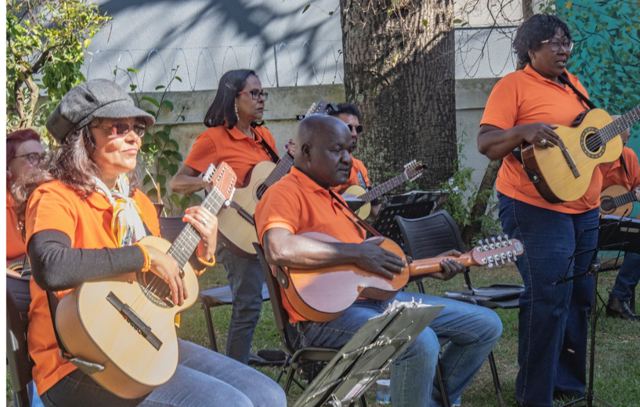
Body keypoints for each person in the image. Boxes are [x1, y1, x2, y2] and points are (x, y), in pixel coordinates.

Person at [20, 79, 286, 407]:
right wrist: (142, 255)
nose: (134, 137)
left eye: (137, 128)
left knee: (269, 395)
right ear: (83, 137)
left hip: (141, 343)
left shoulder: (136, 203)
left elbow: (159, 286)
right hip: (78, 365)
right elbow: (51, 266)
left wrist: (201, 254)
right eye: (119, 127)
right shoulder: (54, 196)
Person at [255, 115, 502, 407]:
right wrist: (357, 252)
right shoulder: (284, 193)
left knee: (486, 324)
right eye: (337, 150)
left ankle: (433, 400)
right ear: (306, 151)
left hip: (371, 303)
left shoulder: (334, 198)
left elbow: (361, 275)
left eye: (349, 150)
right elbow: (279, 248)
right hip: (322, 320)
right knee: (419, 339)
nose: (347, 159)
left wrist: (427, 268)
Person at [477, 14, 601, 406]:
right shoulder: (513, 86)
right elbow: (486, 142)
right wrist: (522, 131)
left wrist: (611, 136)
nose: (564, 50)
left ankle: (567, 383)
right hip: (533, 205)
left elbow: (584, 140)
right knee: (548, 297)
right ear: (531, 48)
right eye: (554, 43)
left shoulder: (573, 86)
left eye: (567, 42)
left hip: (584, 207)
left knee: (580, 294)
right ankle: (535, 395)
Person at [170, 69, 277, 364]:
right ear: (233, 98)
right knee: (249, 303)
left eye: (262, 93)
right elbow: (177, 183)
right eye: (253, 94)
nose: (261, 99)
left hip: (265, 228)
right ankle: (237, 366)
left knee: (287, 296)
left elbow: (271, 182)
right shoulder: (213, 139)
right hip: (233, 232)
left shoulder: (264, 137)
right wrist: (208, 183)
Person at [600, 127, 640, 321]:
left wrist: (637, 192)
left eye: (623, 143)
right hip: (590, 223)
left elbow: (638, 185)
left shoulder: (628, 157)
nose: (619, 148)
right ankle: (581, 303)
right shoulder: (592, 160)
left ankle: (618, 297)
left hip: (618, 222)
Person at [7, 129, 46, 271]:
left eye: (43, 158)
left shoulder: (50, 200)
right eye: (32, 157)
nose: (41, 164)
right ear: (8, 166)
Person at [327, 103, 371, 193]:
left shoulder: (359, 167)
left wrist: (374, 204)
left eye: (358, 129)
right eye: (348, 127)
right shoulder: (316, 168)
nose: (354, 134)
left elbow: (370, 201)